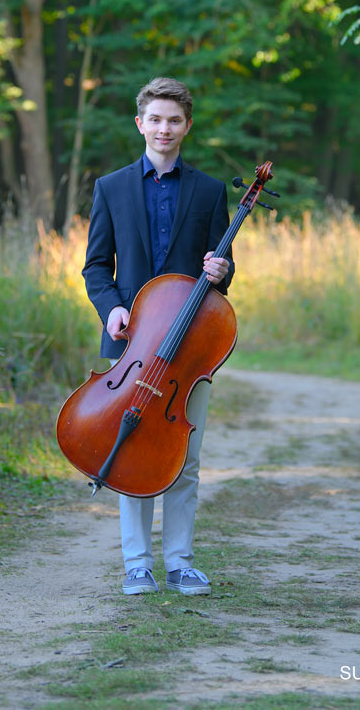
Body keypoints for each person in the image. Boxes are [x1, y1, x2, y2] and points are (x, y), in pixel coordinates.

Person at [82, 76, 233, 597]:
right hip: (131, 344)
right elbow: (96, 267)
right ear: (140, 123)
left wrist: (222, 270)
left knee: (184, 455)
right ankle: (137, 564)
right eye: (156, 118)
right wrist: (112, 308)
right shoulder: (111, 187)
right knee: (130, 449)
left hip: (190, 350)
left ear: (186, 126)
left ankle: (180, 562)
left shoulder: (211, 191)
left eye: (174, 120)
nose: (164, 128)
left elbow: (221, 270)